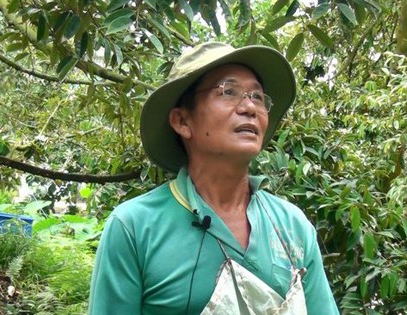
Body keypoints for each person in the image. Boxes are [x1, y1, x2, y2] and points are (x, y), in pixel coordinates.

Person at [89, 42, 339, 315]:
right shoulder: (135, 227)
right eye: (229, 91)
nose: (249, 107)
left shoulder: (291, 225)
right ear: (183, 121)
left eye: (257, 96)